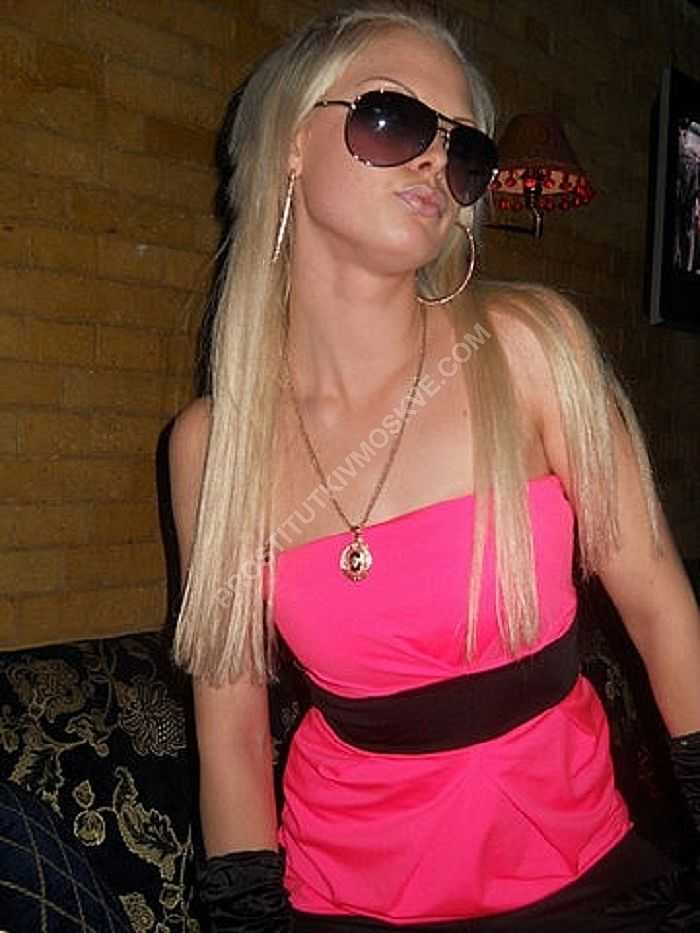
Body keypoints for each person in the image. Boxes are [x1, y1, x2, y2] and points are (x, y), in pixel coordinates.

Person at [167, 1, 700, 930]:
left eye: (464, 150)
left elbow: (660, 606)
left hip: (582, 874)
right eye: (394, 118)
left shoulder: (530, 349)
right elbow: (235, 735)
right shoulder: (215, 446)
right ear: (290, 143)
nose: (435, 164)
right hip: (343, 897)